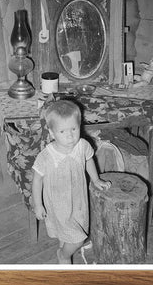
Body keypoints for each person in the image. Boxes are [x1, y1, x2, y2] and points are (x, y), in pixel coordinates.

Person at [32, 100, 111, 264]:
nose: (70, 136)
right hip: (58, 204)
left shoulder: (82, 145)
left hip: (78, 200)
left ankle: (64, 261)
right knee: (77, 240)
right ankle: (64, 255)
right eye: (62, 131)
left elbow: (89, 159)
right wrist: (38, 205)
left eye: (74, 129)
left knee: (70, 232)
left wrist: (96, 179)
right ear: (52, 132)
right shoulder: (47, 156)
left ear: (79, 126)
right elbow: (37, 179)